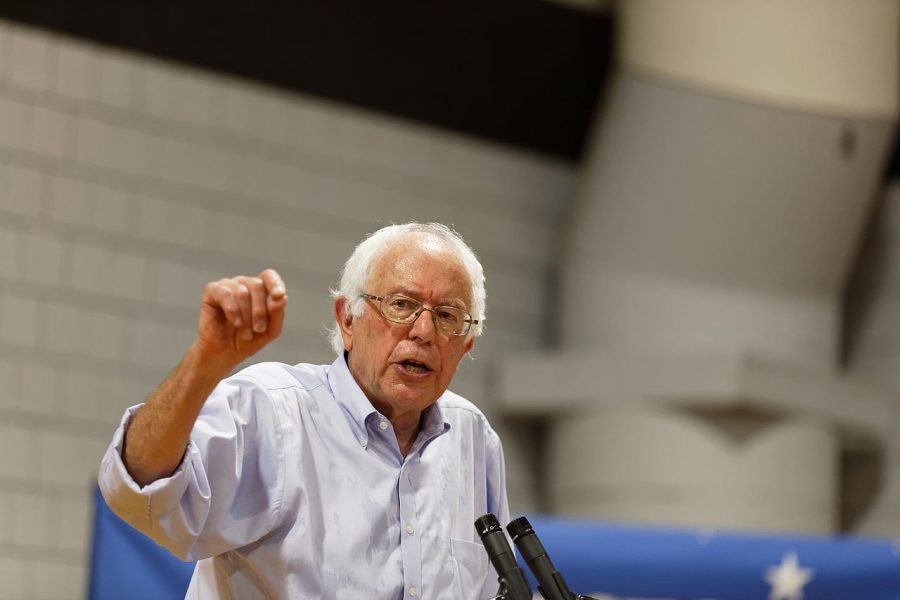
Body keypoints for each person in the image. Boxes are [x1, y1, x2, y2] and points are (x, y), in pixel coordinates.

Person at [98, 222, 509, 599]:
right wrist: (204, 364)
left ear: (467, 345)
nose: (423, 332)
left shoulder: (473, 438)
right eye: (401, 304)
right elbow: (139, 491)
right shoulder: (272, 410)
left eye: (447, 316)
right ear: (347, 319)